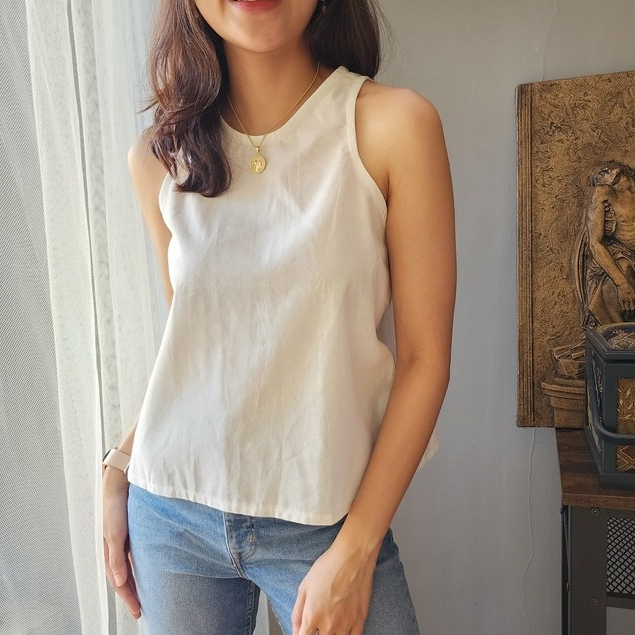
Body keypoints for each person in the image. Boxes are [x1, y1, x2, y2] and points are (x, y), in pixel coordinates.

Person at [102, 0, 455, 633]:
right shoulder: (158, 158)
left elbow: (425, 361)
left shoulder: (394, 127)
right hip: (171, 518)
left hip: (328, 521)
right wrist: (121, 464)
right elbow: (201, 354)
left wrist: (356, 550)